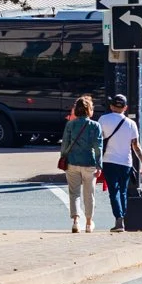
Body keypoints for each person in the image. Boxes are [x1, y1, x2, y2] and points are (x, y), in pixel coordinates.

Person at [97, 94, 142, 232]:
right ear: (125, 107)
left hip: (109, 160)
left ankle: (118, 219)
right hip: (126, 162)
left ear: (111, 106)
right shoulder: (131, 124)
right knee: (123, 191)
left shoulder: (103, 119)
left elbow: (98, 140)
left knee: (113, 191)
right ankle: (122, 219)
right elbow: (136, 146)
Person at [59, 95, 103, 233]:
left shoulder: (70, 124)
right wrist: (99, 165)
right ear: (89, 109)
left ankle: (76, 221)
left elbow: (65, 144)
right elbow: (98, 147)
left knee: (74, 193)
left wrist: (63, 158)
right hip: (89, 163)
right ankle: (89, 223)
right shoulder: (95, 126)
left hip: (72, 162)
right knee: (89, 194)